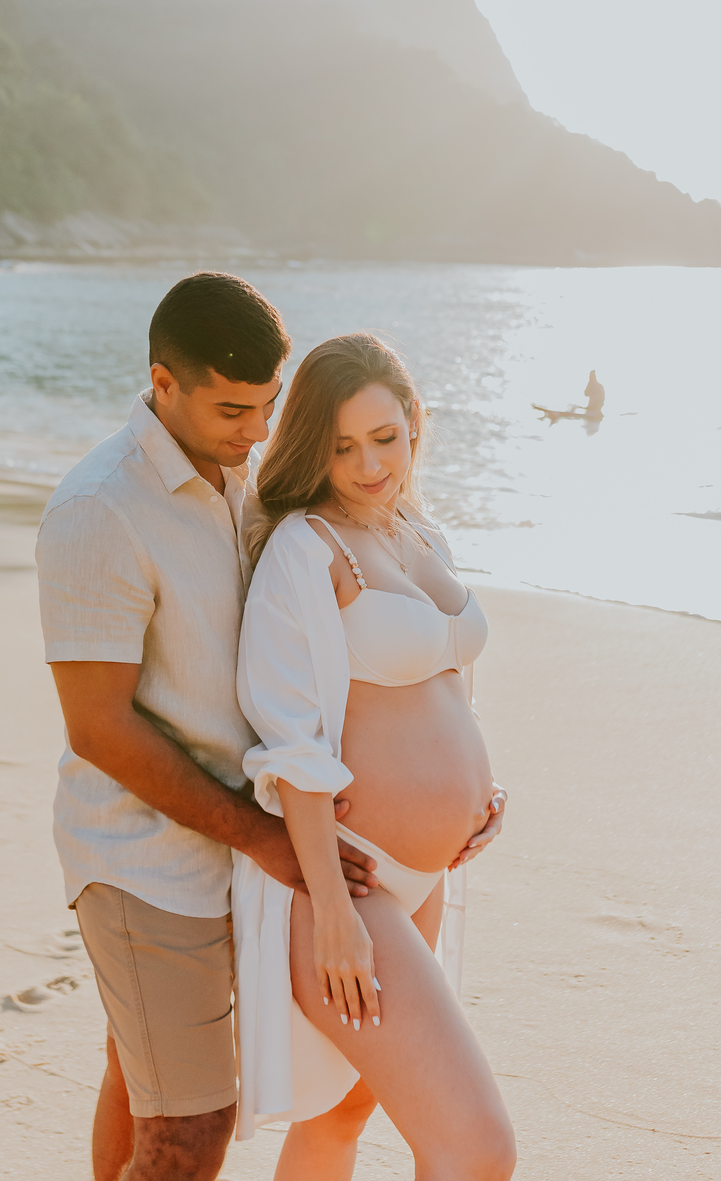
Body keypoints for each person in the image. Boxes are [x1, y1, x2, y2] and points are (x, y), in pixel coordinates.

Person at [36, 274, 387, 1181]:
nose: (259, 431)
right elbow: (99, 729)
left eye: (270, 405)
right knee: (194, 1127)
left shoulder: (244, 476)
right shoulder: (96, 511)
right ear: (163, 383)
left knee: (138, 1072)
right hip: (144, 861)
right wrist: (266, 840)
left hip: (238, 846)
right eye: (235, 409)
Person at [234, 333, 515, 1180]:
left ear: (414, 424)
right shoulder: (304, 550)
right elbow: (289, 743)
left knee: (346, 1111)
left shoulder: (417, 532)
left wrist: (480, 790)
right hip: (347, 887)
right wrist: (332, 912)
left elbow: (437, 681)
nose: (366, 464)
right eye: (342, 445)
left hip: (424, 878)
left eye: (384, 439)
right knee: (476, 1151)